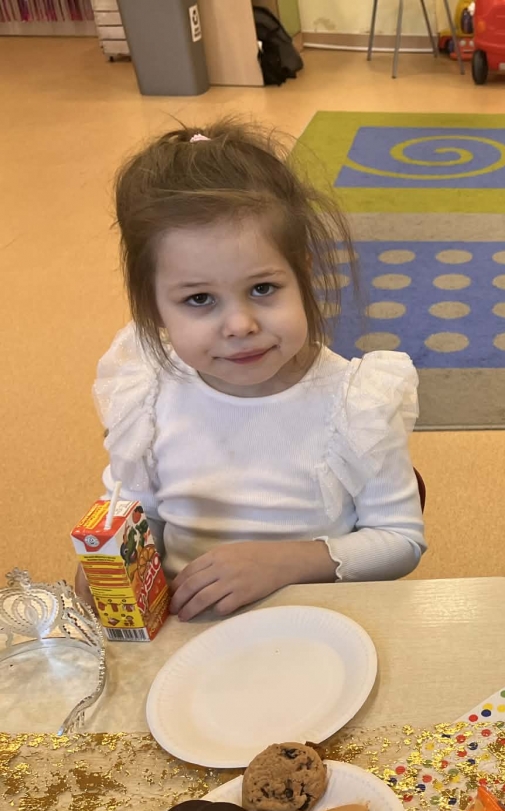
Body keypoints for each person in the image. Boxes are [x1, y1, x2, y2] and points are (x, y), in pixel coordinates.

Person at [79, 120, 426, 621]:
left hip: (321, 628)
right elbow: (136, 515)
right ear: (154, 309)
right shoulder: (147, 397)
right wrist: (108, 567)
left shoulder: (358, 402)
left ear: (302, 272)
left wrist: (285, 562)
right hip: (192, 633)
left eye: (263, 289)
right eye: (200, 299)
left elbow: (400, 540)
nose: (240, 325)